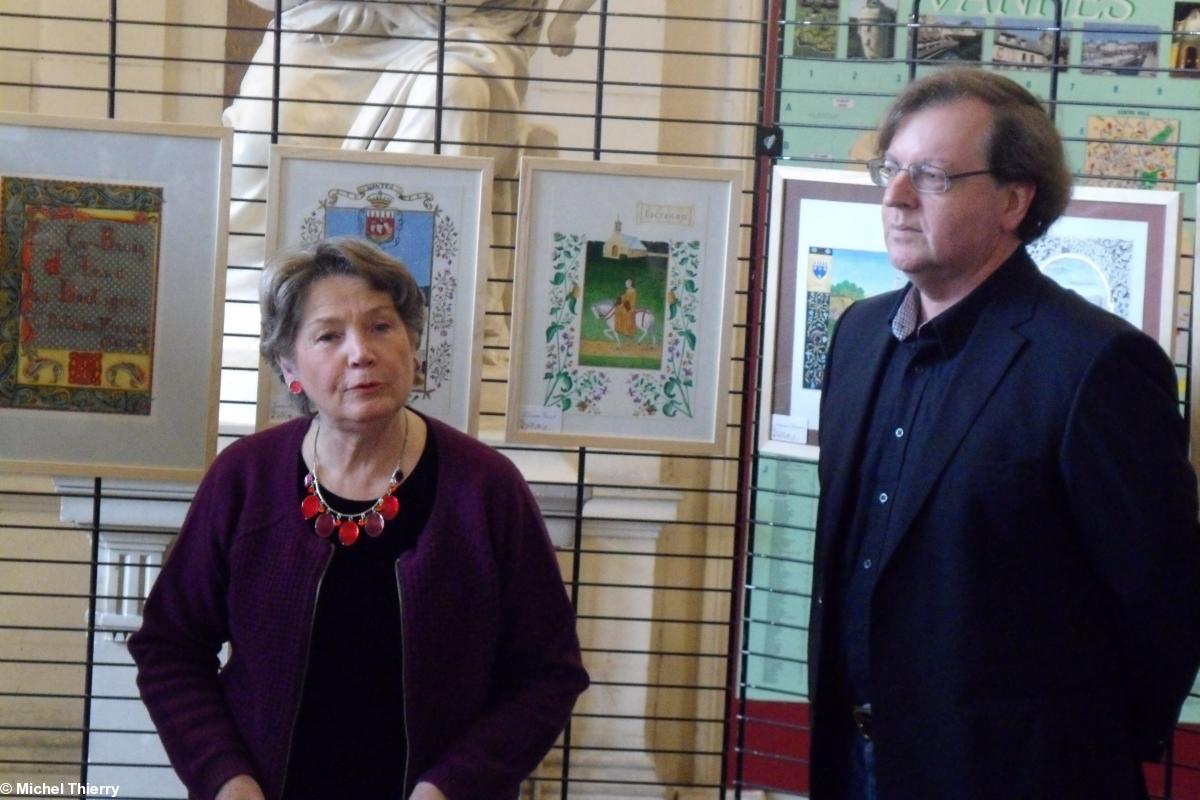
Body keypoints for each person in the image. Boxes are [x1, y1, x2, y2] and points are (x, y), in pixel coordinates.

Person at [807, 69, 1200, 799]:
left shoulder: (1093, 363)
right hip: (856, 763)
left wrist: (1072, 752)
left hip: (1016, 773)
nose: (894, 198)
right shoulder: (858, 336)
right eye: (890, 170)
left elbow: (1162, 600)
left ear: (1014, 200)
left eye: (929, 176)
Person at [129, 237, 589, 800]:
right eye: (328, 335)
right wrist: (227, 780)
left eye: (381, 327)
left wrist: (452, 787)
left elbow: (548, 673)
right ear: (288, 364)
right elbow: (169, 649)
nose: (360, 353)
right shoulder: (244, 478)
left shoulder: (487, 488)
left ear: (411, 344)